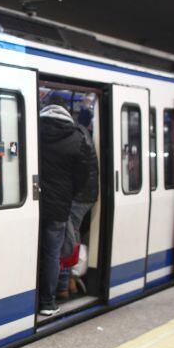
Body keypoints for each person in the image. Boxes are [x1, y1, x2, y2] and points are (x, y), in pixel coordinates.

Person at [38, 104, 90, 316]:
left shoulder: (33, 131)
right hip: (59, 207)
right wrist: (67, 194)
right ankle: (47, 302)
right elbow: (83, 176)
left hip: (33, 203)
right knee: (52, 253)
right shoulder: (77, 138)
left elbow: (14, 150)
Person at [59, 119, 99, 298]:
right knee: (71, 235)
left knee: (68, 238)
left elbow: (78, 171)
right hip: (87, 194)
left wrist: (70, 193)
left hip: (79, 197)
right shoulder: (81, 132)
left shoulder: (71, 135)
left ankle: (67, 283)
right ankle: (68, 283)